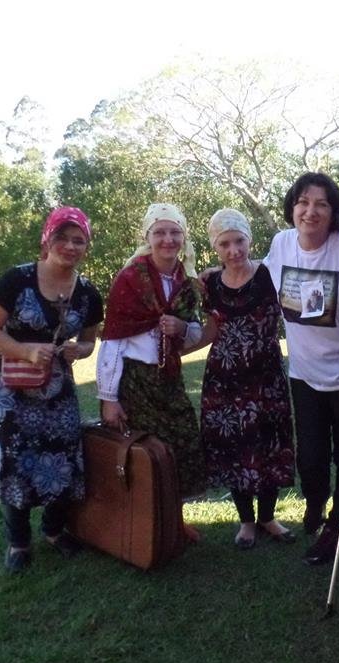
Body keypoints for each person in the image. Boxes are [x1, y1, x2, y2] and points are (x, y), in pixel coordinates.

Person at [0, 206, 103, 573]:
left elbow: (89, 341)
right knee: (14, 460)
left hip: (57, 390)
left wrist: (79, 350)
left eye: (78, 240)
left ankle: (53, 530)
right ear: (47, 239)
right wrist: (27, 351)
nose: (70, 246)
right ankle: (18, 542)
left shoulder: (88, 293)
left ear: (86, 247)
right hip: (9, 388)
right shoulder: (16, 280)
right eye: (62, 237)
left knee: (63, 458)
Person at [263, 172, 339, 565]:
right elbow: (260, 275)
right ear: (292, 207)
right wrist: (219, 273)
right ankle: (316, 501)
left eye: (321, 203)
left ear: (333, 211)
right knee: (310, 457)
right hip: (304, 376)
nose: (311, 211)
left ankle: (338, 530)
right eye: (303, 202)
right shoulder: (282, 243)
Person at [95, 203, 206, 541]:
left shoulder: (187, 283)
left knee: (180, 445)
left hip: (169, 377)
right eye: (160, 232)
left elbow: (195, 333)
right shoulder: (130, 279)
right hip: (135, 381)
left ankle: (174, 521)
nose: (167, 239)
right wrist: (109, 398)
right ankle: (143, 526)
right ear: (147, 237)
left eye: (174, 232)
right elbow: (113, 341)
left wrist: (181, 327)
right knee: (143, 453)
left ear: (184, 237)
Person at [201, 208, 296, 549]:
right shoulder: (209, 283)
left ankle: (267, 517)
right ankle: (246, 522)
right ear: (215, 247)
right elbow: (209, 330)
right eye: (224, 244)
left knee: (269, 445)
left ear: (249, 239)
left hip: (266, 377)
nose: (233, 250)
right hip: (223, 379)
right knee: (234, 447)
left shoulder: (271, 275)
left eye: (239, 241)